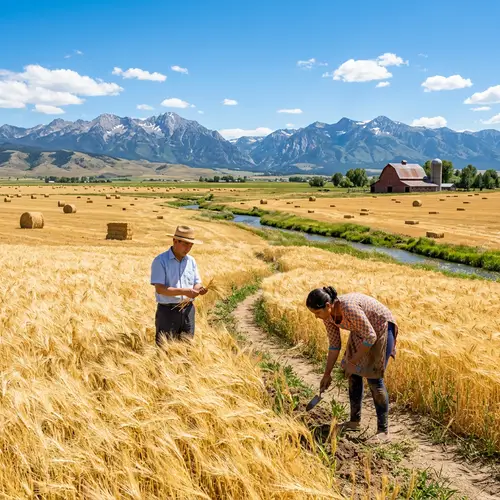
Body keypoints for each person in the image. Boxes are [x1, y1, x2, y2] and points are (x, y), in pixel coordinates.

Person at [306, 286, 398, 439]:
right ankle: (354, 422)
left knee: (374, 379)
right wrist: (327, 374)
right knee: (353, 375)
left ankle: (383, 430)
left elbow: (371, 336)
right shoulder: (328, 317)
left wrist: (353, 362)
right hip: (362, 331)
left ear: (328, 306)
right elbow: (335, 345)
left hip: (381, 327)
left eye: (317, 312)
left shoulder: (348, 308)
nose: (316, 317)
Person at [151, 225, 207, 346]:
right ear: (175, 241)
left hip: (188, 310)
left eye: (191, 245)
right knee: (165, 350)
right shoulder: (160, 261)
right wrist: (184, 291)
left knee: (188, 349)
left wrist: (198, 289)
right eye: (185, 244)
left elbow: (197, 282)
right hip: (168, 312)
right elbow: (160, 289)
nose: (188, 248)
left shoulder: (191, 261)